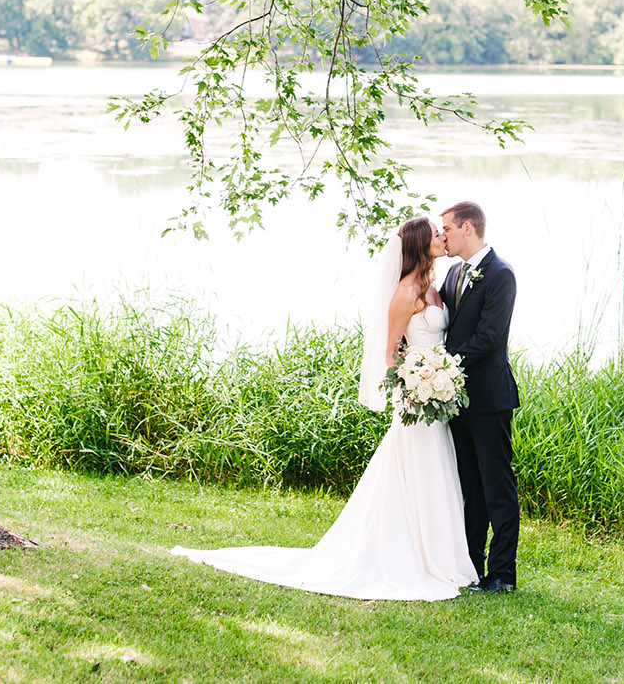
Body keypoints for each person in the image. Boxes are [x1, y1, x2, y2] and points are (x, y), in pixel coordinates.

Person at [171, 216, 478, 600]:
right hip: (416, 401)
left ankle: (442, 559)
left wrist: (438, 376)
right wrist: (417, 381)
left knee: (436, 474)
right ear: (419, 245)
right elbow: (388, 353)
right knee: (418, 472)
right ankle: (414, 558)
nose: (442, 236)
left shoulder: (433, 285)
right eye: (435, 233)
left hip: (434, 399)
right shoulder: (404, 293)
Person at [439, 200, 520, 593]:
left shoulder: (501, 274)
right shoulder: (454, 272)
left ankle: (502, 573)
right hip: (455, 398)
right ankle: (472, 566)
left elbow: (488, 338)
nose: (444, 237)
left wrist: (443, 364)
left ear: (467, 227)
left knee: (496, 486)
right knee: (469, 485)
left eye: (448, 230)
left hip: (488, 396)